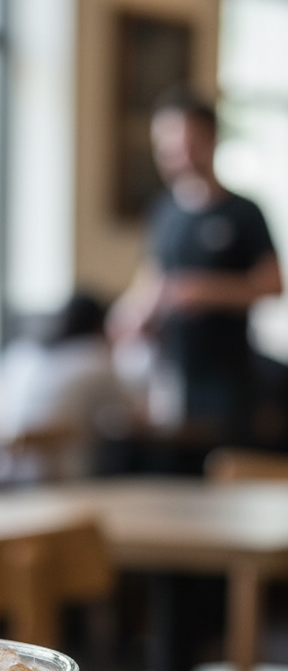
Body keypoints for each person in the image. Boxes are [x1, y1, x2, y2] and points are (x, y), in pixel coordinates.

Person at [109, 88, 283, 439]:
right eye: (168, 146)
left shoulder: (243, 212)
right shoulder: (164, 212)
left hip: (229, 374)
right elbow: (152, 278)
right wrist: (131, 314)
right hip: (172, 371)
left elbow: (273, 284)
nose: (178, 155)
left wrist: (203, 291)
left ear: (210, 139)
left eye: (187, 143)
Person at [0, 293, 131, 481]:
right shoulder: (94, 356)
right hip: (61, 474)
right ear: (98, 324)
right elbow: (132, 416)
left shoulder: (21, 352)